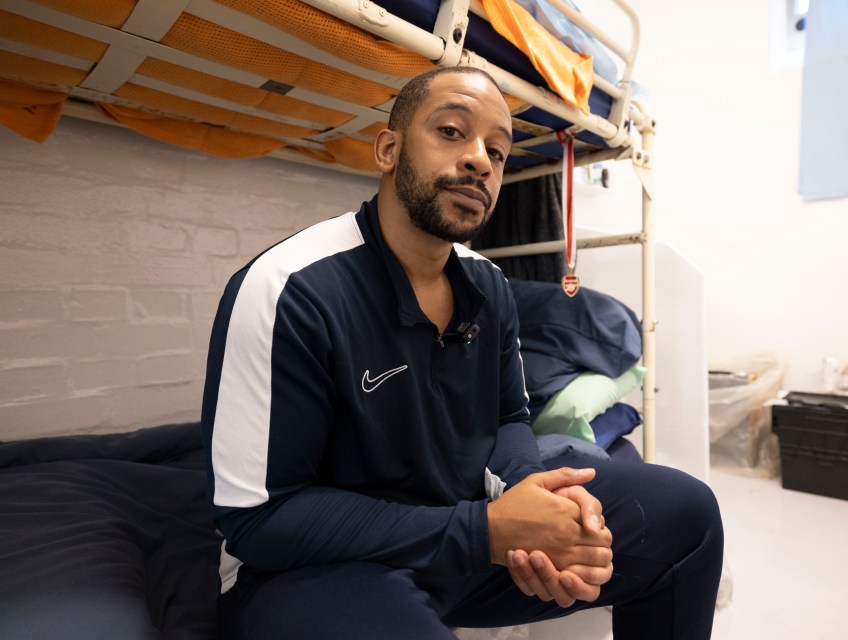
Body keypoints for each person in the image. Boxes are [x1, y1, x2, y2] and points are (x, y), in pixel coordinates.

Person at [202, 66, 723, 639]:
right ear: (388, 150)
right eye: (452, 131)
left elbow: (510, 418)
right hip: (323, 565)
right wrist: (486, 532)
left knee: (687, 515)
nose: (480, 160)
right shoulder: (290, 288)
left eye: (498, 153)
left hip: (461, 529)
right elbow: (261, 521)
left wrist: (531, 496)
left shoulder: (490, 286)